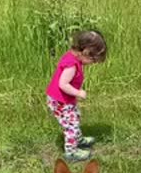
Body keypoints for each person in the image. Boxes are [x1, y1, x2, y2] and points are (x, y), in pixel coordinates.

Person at [46, 30, 107, 162]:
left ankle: (77, 139)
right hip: (60, 102)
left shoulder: (74, 58)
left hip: (65, 100)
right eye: (93, 59)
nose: (93, 63)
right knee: (71, 124)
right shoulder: (71, 65)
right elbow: (63, 84)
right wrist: (78, 92)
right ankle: (71, 153)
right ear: (85, 52)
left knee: (75, 116)